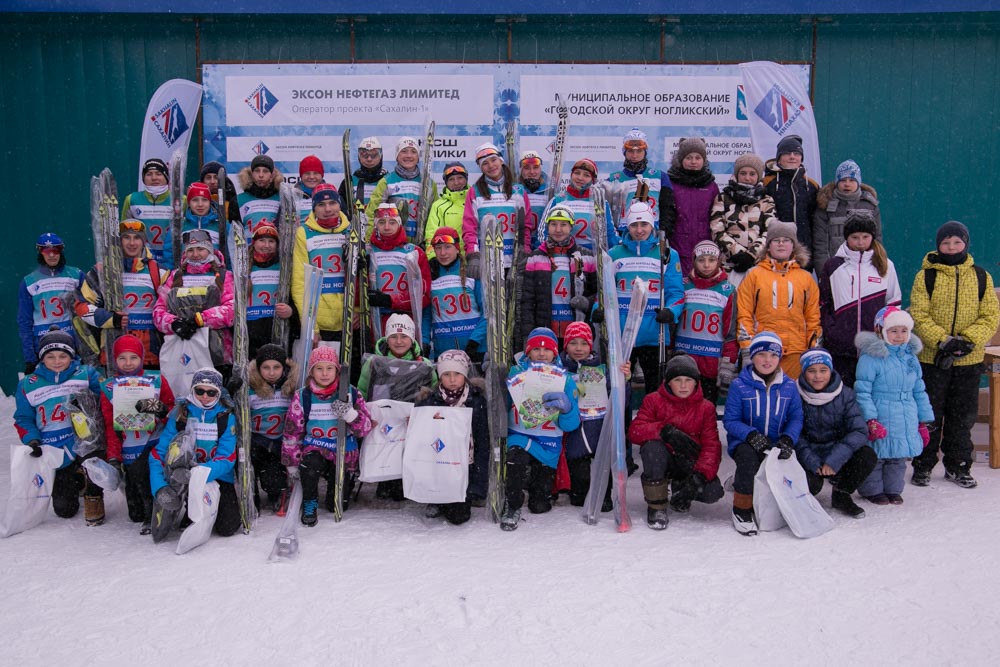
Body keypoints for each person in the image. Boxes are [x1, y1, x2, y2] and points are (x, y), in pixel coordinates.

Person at [909, 221, 999, 488]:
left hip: (969, 361)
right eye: (946, 242)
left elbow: (990, 315)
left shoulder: (981, 276)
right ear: (938, 245)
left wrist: (969, 341)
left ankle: (958, 465)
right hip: (932, 359)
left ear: (965, 244)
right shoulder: (926, 276)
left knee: (962, 416)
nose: (951, 247)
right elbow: (919, 314)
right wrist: (943, 340)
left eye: (956, 242)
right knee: (929, 414)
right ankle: (923, 464)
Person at [13, 327, 105, 525]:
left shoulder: (86, 374)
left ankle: (93, 493)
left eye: (63, 356)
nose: (57, 362)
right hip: (54, 448)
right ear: (41, 358)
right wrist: (32, 439)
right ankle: (76, 479)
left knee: (95, 463)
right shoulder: (28, 384)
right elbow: (23, 418)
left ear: (71, 357)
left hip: (84, 440)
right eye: (50, 356)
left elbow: (106, 400)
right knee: (65, 510)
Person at [628, 354, 724, 530]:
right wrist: (663, 431)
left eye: (688, 380)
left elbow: (712, 446)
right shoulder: (653, 400)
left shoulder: (706, 408)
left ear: (696, 382)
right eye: (677, 380)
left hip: (689, 460)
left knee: (712, 491)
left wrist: (699, 477)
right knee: (651, 449)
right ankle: (657, 506)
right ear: (668, 382)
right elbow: (635, 431)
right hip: (663, 458)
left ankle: (681, 489)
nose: (683, 385)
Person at [281, 346, 373, 526]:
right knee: (310, 466)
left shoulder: (350, 393)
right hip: (315, 449)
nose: (324, 374)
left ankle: (340, 487)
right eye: (319, 368)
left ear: (337, 370)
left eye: (329, 368)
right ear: (311, 371)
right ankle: (310, 501)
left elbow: (365, 428)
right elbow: (293, 431)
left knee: (336, 505)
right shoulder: (303, 396)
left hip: (343, 452)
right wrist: (291, 463)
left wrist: (350, 414)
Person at [723, 331, 803, 536]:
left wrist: (788, 438)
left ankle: (783, 504)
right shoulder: (739, 385)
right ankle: (742, 510)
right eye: (761, 355)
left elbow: (796, 417)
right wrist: (750, 435)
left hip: (776, 441)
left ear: (779, 358)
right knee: (748, 461)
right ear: (753, 356)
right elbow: (730, 420)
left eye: (773, 355)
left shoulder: (789, 386)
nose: (767, 360)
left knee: (786, 470)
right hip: (745, 441)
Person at [501, 327, 581, 531]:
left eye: (547, 349)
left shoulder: (566, 380)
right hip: (519, 435)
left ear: (555, 353)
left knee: (540, 505)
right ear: (528, 352)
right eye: (536, 348)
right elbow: (501, 404)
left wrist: (568, 409)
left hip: (548, 442)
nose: (542, 353)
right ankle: (513, 503)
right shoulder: (516, 373)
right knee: (515, 460)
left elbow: (571, 425)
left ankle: (533, 486)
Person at [603, 201, 684, 397]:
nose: (639, 230)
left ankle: (651, 427)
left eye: (644, 225)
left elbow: (677, 293)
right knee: (621, 392)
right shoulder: (615, 254)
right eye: (634, 225)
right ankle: (623, 427)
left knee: (655, 392)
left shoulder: (667, 254)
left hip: (654, 335)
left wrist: (670, 312)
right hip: (623, 334)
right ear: (627, 226)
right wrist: (599, 308)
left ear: (652, 225)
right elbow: (605, 291)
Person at [149, 367, 242, 539]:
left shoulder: (225, 417)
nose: (205, 397)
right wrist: (159, 487)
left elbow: (227, 457)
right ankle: (183, 507)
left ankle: (204, 509)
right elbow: (158, 453)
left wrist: (198, 474)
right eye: (200, 391)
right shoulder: (181, 413)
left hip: (215, 475)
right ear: (193, 390)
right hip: (181, 473)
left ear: (218, 394)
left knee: (228, 527)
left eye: (211, 393)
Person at [854, 307, 934, 504]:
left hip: (906, 412)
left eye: (904, 331)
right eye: (894, 331)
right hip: (882, 411)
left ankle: (893, 489)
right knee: (878, 454)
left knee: (898, 456)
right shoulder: (871, 357)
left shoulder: (910, 357)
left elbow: (919, 390)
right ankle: (872, 490)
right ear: (881, 331)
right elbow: (863, 391)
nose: (899, 336)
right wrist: (870, 419)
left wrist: (923, 420)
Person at [99, 334, 175, 533]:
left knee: (148, 474)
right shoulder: (109, 387)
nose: (128, 363)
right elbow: (109, 424)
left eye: (133, 357)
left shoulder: (157, 381)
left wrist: (161, 410)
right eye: (122, 358)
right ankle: (147, 509)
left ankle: (158, 510)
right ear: (114, 360)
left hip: (154, 441)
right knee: (135, 513)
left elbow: (173, 413)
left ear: (142, 358)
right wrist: (114, 456)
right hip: (129, 445)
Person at [358, 313, 437, 502]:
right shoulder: (374, 362)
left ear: (412, 339)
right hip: (383, 420)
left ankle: (406, 478)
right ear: (387, 338)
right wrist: (366, 414)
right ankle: (385, 479)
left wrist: (423, 416)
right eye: (394, 336)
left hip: (411, 421)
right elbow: (362, 390)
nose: (399, 341)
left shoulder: (424, 364)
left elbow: (434, 395)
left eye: (404, 337)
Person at [817, 210, 901, 386]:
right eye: (855, 237)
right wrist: (833, 332)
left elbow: (893, 304)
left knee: (870, 398)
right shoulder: (833, 266)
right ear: (847, 237)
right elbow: (824, 304)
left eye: (865, 236)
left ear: (872, 237)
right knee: (842, 397)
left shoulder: (885, 265)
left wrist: (886, 336)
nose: (860, 242)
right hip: (841, 349)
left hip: (874, 348)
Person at [794, 347, 876, 517]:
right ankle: (802, 500)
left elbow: (859, 430)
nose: (818, 376)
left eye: (823, 370)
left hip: (837, 451)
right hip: (808, 454)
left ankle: (841, 494)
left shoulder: (845, 394)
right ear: (804, 372)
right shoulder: (795, 394)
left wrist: (835, 458)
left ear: (830, 370)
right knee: (812, 486)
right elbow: (795, 434)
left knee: (867, 455)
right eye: (812, 371)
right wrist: (812, 461)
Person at [76, 220, 169, 369]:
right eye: (126, 237)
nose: (132, 243)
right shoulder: (101, 271)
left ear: (144, 241)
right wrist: (110, 318)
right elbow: (81, 307)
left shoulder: (159, 271)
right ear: (118, 240)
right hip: (115, 350)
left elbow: (170, 309)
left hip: (152, 353)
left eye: (137, 238)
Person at [736, 219, 821, 379]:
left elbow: (813, 319)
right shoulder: (754, 274)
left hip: (797, 353)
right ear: (768, 245)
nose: (781, 244)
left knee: (791, 400)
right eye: (776, 240)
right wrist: (748, 349)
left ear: (793, 246)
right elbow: (744, 314)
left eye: (786, 240)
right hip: (763, 352)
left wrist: (814, 350)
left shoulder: (806, 278)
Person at [559, 321, 631, 509]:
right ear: (566, 345)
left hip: (598, 427)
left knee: (603, 465)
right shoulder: (559, 370)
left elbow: (621, 398)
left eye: (584, 343)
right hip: (574, 429)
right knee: (579, 479)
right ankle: (578, 491)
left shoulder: (602, 370)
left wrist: (624, 379)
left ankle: (604, 495)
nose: (579, 348)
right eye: (573, 343)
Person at [414, 349, 489, 523]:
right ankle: (435, 498)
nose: (453, 379)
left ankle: (456, 498)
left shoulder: (476, 401)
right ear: (440, 376)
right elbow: (421, 439)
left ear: (465, 375)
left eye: (457, 374)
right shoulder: (430, 401)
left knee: (459, 517)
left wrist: (477, 485)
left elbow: (482, 443)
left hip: (464, 464)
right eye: (447, 374)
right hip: (437, 462)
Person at [152, 229, 235, 384]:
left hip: (217, 352)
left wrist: (200, 319)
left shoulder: (224, 276)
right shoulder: (175, 276)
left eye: (201, 249)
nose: (196, 254)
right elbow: (158, 312)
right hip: (183, 348)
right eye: (190, 250)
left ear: (210, 249)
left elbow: (231, 310)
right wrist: (174, 323)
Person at [518, 204, 597, 344]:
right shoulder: (535, 258)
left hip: (577, 331)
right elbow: (527, 301)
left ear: (571, 227)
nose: (558, 230)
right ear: (548, 227)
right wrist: (527, 334)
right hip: (545, 330)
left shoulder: (586, 256)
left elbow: (597, 293)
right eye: (553, 224)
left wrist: (587, 303)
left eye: (563, 225)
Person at [674, 240, 738, 405]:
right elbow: (672, 324)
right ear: (694, 261)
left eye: (711, 260)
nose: (706, 265)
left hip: (711, 362)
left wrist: (728, 362)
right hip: (684, 359)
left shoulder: (727, 290)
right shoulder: (683, 286)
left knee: (707, 410)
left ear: (719, 261)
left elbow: (731, 331)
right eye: (701, 260)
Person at [291, 183, 351, 346]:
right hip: (320, 322)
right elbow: (299, 283)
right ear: (314, 208)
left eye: (332, 203)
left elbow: (361, 277)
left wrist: (358, 309)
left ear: (339, 204)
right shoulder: (304, 233)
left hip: (350, 320)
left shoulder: (351, 231)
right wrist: (312, 327)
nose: (328, 209)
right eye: (321, 205)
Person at [460, 143, 533, 278]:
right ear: (481, 168)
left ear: (501, 161)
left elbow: (526, 226)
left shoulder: (518, 190)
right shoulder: (475, 191)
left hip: (514, 260)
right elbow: (469, 227)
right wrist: (473, 254)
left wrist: (525, 249)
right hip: (488, 260)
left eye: (494, 160)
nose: (491, 166)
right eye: (485, 163)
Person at [18, 233, 84, 374]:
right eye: (46, 251)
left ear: (61, 251)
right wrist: (30, 358)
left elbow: (89, 311)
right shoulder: (29, 282)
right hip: (43, 342)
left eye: (56, 250)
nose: (52, 255)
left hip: (72, 340)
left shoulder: (76, 276)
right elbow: (24, 321)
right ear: (40, 252)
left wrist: (85, 347)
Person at [709, 152, 776, 287]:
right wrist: (737, 252)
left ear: (758, 176)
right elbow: (717, 229)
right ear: (736, 174)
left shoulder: (767, 200)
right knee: (731, 303)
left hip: (757, 264)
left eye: (752, 174)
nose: (747, 178)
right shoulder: (723, 198)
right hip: (728, 264)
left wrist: (751, 255)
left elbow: (770, 231)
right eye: (743, 173)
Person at [248, 343, 299, 514]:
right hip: (259, 442)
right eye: (266, 367)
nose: (271, 372)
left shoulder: (292, 387)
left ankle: (278, 490)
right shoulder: (250, 389)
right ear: (259, 368)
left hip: (281, 444)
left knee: (273, 482)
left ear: (284, 368)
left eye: (276, 367)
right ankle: (250, 493)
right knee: (251, 461)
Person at [366, 203, 431, 334]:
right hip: (374, 322)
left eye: (392, 222)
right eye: (382, 222)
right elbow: (355, 291)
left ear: (400, 224)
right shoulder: (367, 251)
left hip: (405, 323)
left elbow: (424, 296)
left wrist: (390, 300)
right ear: (376, 225)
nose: (387, 227)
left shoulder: (414, 252)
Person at [425, 227, 486, 362]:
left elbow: (487, 312)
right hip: (444, 350)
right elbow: (427, 315)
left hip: (474, 349)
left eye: (448, 247)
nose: (443, 253)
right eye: (438, 248)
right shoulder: (431, 275)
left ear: (457, 248)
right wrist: (424, 342)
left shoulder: (471, 273)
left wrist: (475, 341)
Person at [811, 159, 882, 271]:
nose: (847, 184)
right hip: (836, 269)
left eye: (852, 180)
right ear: (837, 182)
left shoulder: (870, 205)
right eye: (843, 180)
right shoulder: (825, 205)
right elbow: (820, 245)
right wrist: (824, 273)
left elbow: (877, 240)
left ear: (858, 182)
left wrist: (877, 267)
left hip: (864, 269)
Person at [366, 136, 438, 242]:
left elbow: (436, 216)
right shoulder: (387, 181)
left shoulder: (428, 183)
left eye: (413, 151)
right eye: (404, 151)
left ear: (418, 157)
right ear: (397, 156)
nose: (408, 155)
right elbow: (373, 213)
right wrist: (368, 242)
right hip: (392, 243)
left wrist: (431, 243)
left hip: (421, 243)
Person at [666, 137, 720, 276]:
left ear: (704, 160)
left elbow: (717, 217)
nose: (693, 162)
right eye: (689, 157)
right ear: (681, 159)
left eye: (698, 157)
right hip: (677, 246)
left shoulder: (711, 186)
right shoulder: (670, 183)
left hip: (704, 250)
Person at [762, 135, 819, 265]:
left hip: (804, 250)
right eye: (787, 153)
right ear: (779, 158)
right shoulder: (766, 184)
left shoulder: (812, 186)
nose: (792, 157)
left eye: (797, 153)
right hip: (775, 249)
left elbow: (816, 221)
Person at [607, 128, 676, 232]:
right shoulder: (613, 179)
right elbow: (607, 214)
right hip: (623, 235)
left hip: (652, 234)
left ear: (645, 152)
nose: (634, 155)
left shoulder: (660, 177)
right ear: (624, 152)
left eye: (639, 151)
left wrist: (663, 231)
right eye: (630, 151)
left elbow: (668, 210)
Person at [547, 158, 617, 252]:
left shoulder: (600, 202)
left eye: (586, 175)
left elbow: (609, 235)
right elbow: (544, 231)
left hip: (592, 256)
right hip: (563, 253)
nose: (580, 178)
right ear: (571, 175)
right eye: (577, 173)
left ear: (593, 180)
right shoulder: (559, 199)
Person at [246, 222, 295, 357]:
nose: (266, 246)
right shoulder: (244, 267)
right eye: (262, 240)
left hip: (278, 330)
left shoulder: (285, 267)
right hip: (251, 332)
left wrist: (291, 311)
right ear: (254, 242)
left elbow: (296, 295)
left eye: (271, 241)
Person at [121, 158, 179, 268]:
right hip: (143, 259)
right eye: (149, 174)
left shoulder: (180, 200)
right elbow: (124, 231)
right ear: (143, 178)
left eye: (158, 174)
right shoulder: (132, 199)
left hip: (171, 258)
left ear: (166, 177)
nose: (154, 178)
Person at [423, 162, 470, 259]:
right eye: (451, 179)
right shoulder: (439, 206)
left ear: (466, 179)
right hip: (450, 260)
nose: (456, 183)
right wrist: (433, 258)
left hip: (475, 258)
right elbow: (431, 235)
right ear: (446, 183)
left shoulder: (475, 200)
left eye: (460, 178)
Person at [237, 154, 282, 236]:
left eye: (265, 171)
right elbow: (233, 235)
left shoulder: (282, 199)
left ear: (271, 175)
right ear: (252, 174)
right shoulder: (239, 200)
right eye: (257, 171)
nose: (261, 175)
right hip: (248, 248)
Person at [339, 136, 387, 210]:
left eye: (374, 155)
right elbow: (341, 207)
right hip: (357, 219)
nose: (369, 159)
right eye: (365, 155)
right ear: (359, 157)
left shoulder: (388, 180)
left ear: (381, 156)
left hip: (382, 220)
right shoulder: (350, 181)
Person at [181, 182, 227, 256]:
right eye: (195, 200)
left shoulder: (222, 225)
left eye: (204, 200)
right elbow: (170, 253)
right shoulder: (180, 225)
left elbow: (230, 255)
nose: (200, 204)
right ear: (189, 203)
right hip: (186, 267)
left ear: (210, 202)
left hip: (215, 267)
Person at [199, 161, 242, 226]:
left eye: (216, 177)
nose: (212, 181)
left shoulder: (233, 203)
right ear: (203, 181)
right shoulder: (196, 202)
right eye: (208, 178)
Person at [517, 150, 548, 233]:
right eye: (526, 168)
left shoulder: (549, 190)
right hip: (522, 241)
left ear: (540, 168)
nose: (532, 172)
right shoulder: (515, 191)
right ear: (521, 170)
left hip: (542, 243)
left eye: (535, 167)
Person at [295, 154, 326, 221]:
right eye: (307, 173)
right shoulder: (291, 196)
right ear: (301, 175)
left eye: (315, 173)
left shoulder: (332, 195)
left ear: (322, 175)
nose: (311, 177)